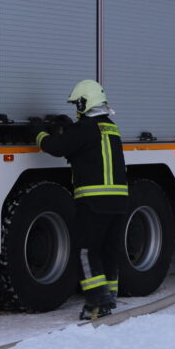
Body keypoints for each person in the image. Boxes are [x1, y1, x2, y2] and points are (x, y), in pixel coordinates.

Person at [36, 80, 128, 320]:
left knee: (87, 251)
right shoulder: (111, 128)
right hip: (118, 203)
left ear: (85, 103)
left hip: (94, 202)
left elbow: (55, 147)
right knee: (109, 250)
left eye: (77, 105)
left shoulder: (85, 129)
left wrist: (38, 133)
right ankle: (109, 298)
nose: (76, 109)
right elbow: (85, 147)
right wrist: (71, 128)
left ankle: (97, 302)